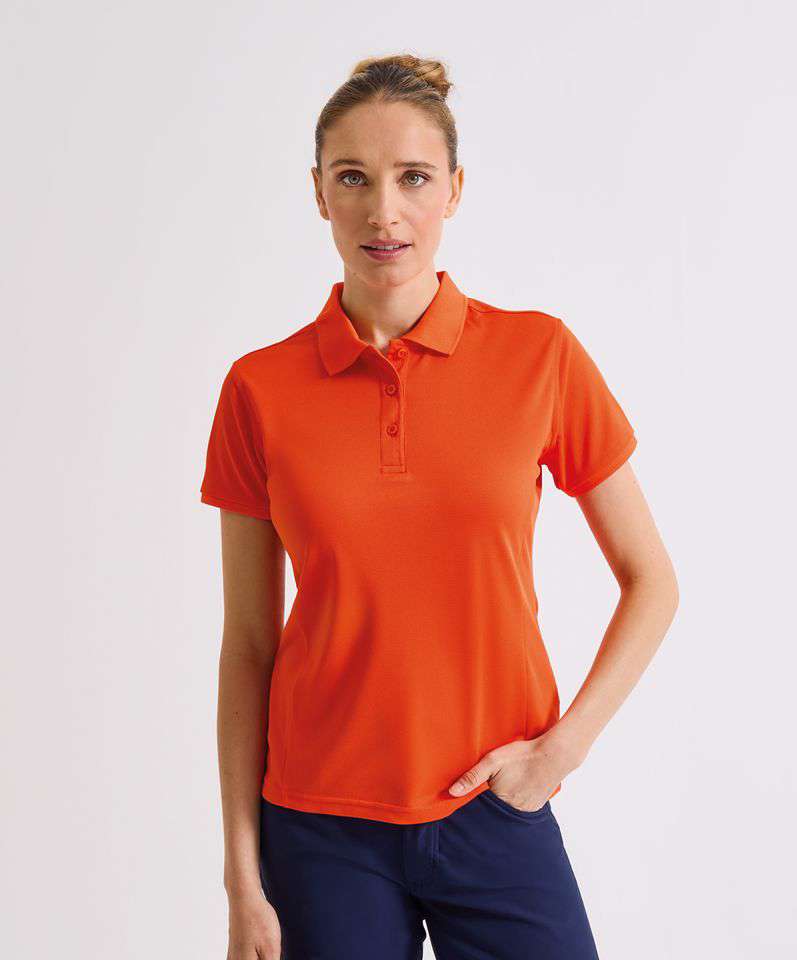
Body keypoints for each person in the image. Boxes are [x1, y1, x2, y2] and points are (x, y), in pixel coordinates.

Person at [200, 54, 679, 960]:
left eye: (414, 178)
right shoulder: (258, 389)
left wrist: (560, 752)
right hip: (319, 828)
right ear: (318, 193)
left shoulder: (540, 357)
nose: (384, 211)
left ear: (455, 189)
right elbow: (250, 646)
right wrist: (241, 878)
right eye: (353, 178)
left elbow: (651, 579)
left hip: (494, 804)